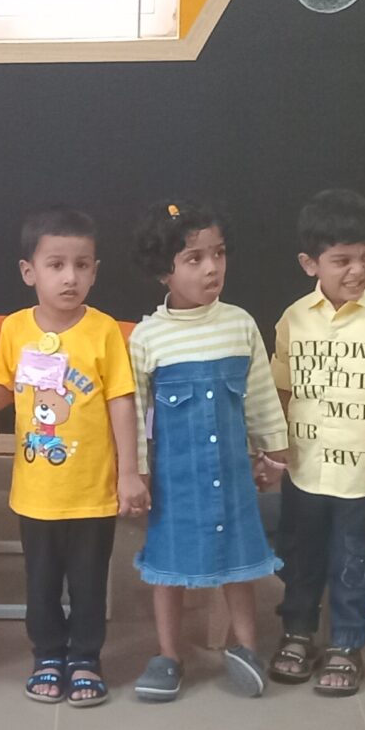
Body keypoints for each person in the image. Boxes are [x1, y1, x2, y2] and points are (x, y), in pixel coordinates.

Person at [0, 207, 142, 707]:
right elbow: (3, 382)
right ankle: (47, 655)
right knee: (40, 583)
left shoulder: (103, 331)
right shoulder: (15, 327)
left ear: (95, 271)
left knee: (88, 582)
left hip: (92, 492)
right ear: (29, 272)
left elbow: (121, 402)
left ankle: (85, 658)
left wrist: (129, 473)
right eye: (56, 265)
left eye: (81, 266)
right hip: (36, 492)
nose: (70, 277)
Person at [126, 200, 289, 702]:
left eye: (218, 254)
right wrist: (136, 473)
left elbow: (260, 394)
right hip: (175, 481)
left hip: (234, 475)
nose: (212, 268)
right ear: (164, 270)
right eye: (194, 258)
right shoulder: (148, 337)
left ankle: (246, 647)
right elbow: (135, 415)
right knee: (167, 567)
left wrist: (273, 454)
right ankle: (168, 655)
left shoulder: (239, 324)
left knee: (240, 563)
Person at [268, 188, 365, 698]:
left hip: (361, 475)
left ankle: (347, 641)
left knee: (357, 560)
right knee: (300, 555)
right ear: (311, 263)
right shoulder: (294, 318)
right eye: (342, 260)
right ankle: (298, 632)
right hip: (305, 468)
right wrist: (273, 445)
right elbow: (281, 388)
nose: (358, 270)